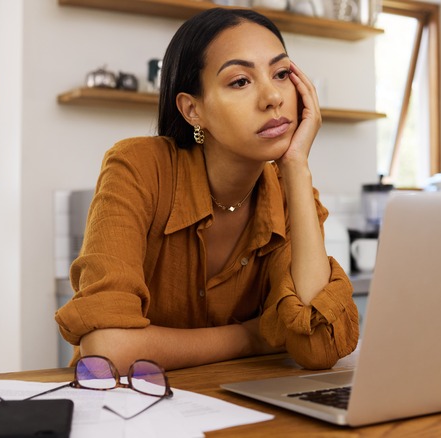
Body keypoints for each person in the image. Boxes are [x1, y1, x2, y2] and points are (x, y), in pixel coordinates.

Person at [55, 7, 359, 374]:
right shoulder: (139, 166)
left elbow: (318, 347)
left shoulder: (290, 191)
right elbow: (107, 350)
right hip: (128, 403)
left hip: (240, 404)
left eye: (281, 74)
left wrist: (296, 165)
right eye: (240, 81)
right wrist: (256, 336)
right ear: (192, 110)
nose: (272, 97)